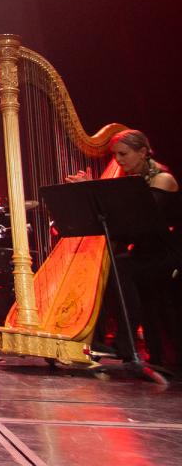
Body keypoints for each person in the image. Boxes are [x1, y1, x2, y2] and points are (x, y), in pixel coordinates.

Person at [69, 130, 179, 364]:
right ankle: (116, 340)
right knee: (114, 267)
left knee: (121, 269)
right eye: (115, 155)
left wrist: (94, 189)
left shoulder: (163, 179)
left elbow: (141, 221)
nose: (118, 160)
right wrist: (88, 191)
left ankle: (126, 342)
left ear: (143, 152)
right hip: (144, 252)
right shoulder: (133, 179)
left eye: (123, 154)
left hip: (167, 252)